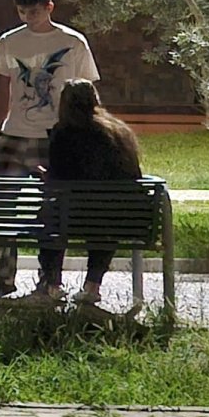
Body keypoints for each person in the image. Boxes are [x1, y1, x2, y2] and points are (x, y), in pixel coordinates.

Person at [0, 0, 98, 294]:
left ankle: (50, 278)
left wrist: (82, 133)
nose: (27, 18)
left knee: (52, 207)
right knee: (1, 206)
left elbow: (86, 91)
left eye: (33, 11)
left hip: (55, 135)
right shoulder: (10, 41)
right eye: (22, 12)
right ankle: (1, 276)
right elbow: (3, 85)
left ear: (49, 7)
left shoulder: (72, 42)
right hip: (15, 132)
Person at [36, 79, 141, 306]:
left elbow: (59, 178)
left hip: (71, 217)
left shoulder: (63, 133)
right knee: (104, 220)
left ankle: (53, 284)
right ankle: (92, 285)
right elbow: (133, 174)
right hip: (114, 217)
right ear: (95, 99)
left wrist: (45, 175)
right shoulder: (119, 132)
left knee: (50, 218)